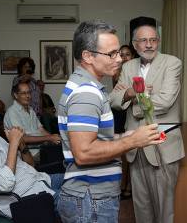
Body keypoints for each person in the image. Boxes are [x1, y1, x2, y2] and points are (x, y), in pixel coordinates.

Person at [57, 19, 165, 223]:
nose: (119, 59)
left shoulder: (87, 86)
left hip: (92, 196)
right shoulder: (86, 92)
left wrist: (125, 135)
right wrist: (132, 142)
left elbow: (94, 138)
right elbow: (84, 153)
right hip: (91, 198)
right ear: (87, 56)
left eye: (118, 52)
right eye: (112, 54)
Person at [110, 22, 184, 223]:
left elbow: (166, 100)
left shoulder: (172, 63)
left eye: (153, 40)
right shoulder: (127, 67)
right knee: (141, 206)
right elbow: (113, 100)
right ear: (135, 44)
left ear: (158, 42)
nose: (149, 45)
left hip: (162, 144)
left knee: (164, 208)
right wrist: (129, 93)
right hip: (134, 144)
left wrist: (134, 104)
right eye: (143, 40)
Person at [4, 78, 62, 167]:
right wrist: (48, 138)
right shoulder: (12, 112)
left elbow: (41, 129)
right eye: (24, 93)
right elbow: (22, 138)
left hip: (42, 148)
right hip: (31, 153)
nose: (28, 96)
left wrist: (55, 138)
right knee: (61, 158)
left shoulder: (30, 110)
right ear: (15, 95)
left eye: (29, 92)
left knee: (65, 149)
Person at [111, 44, 134, 199]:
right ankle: (121, 185)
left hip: (132, 114)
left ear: (132, 56)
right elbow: (118, 96)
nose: (125, 57)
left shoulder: (137, 72)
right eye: (122, 54)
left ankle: (129, 186)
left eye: (128, 54)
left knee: (131, 153)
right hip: (119, 114)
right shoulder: (116, 73)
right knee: (121, 153)